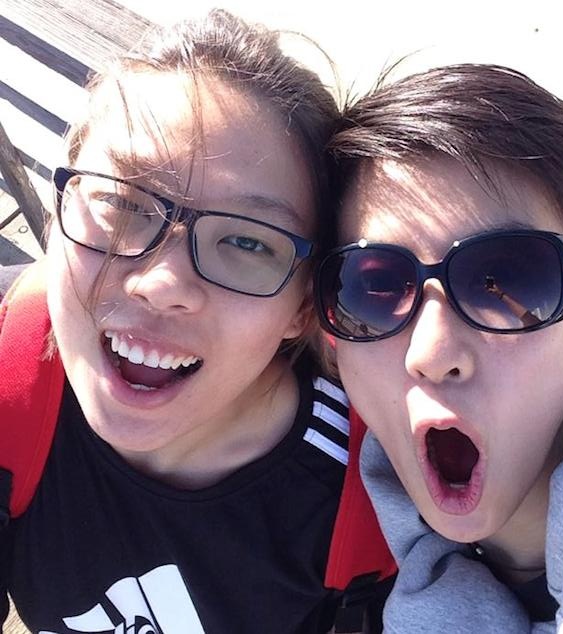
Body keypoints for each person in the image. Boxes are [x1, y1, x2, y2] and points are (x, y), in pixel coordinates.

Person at [0, 10, 394, 633]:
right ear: (57, 213)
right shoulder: (9, 384)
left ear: (303, 306)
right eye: (122, 201)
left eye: (246, 242)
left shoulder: (373, 502)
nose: (161, 285)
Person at [315, 63, 563, 631]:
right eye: (376, 289)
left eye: (506, 280)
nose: (432, 352)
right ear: (331, 341)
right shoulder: (315, 516)